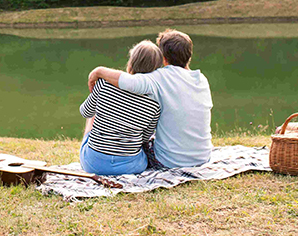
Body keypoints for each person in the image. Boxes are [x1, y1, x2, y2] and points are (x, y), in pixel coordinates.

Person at [87, 29, 212, 169]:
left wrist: (98, 71)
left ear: (163, 57)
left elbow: (127, 81)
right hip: (203, 157)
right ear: (189, 55)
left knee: (139, 143)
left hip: (170, 162)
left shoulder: (159, 77)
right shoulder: (201, 79)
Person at [79, 41, 163, 175]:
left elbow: (85, 112)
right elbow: (145, 138)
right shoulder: (155, 104)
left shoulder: (104, 84)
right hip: (130, 167)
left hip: (93, 164)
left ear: (131, 63)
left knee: (94, 113)